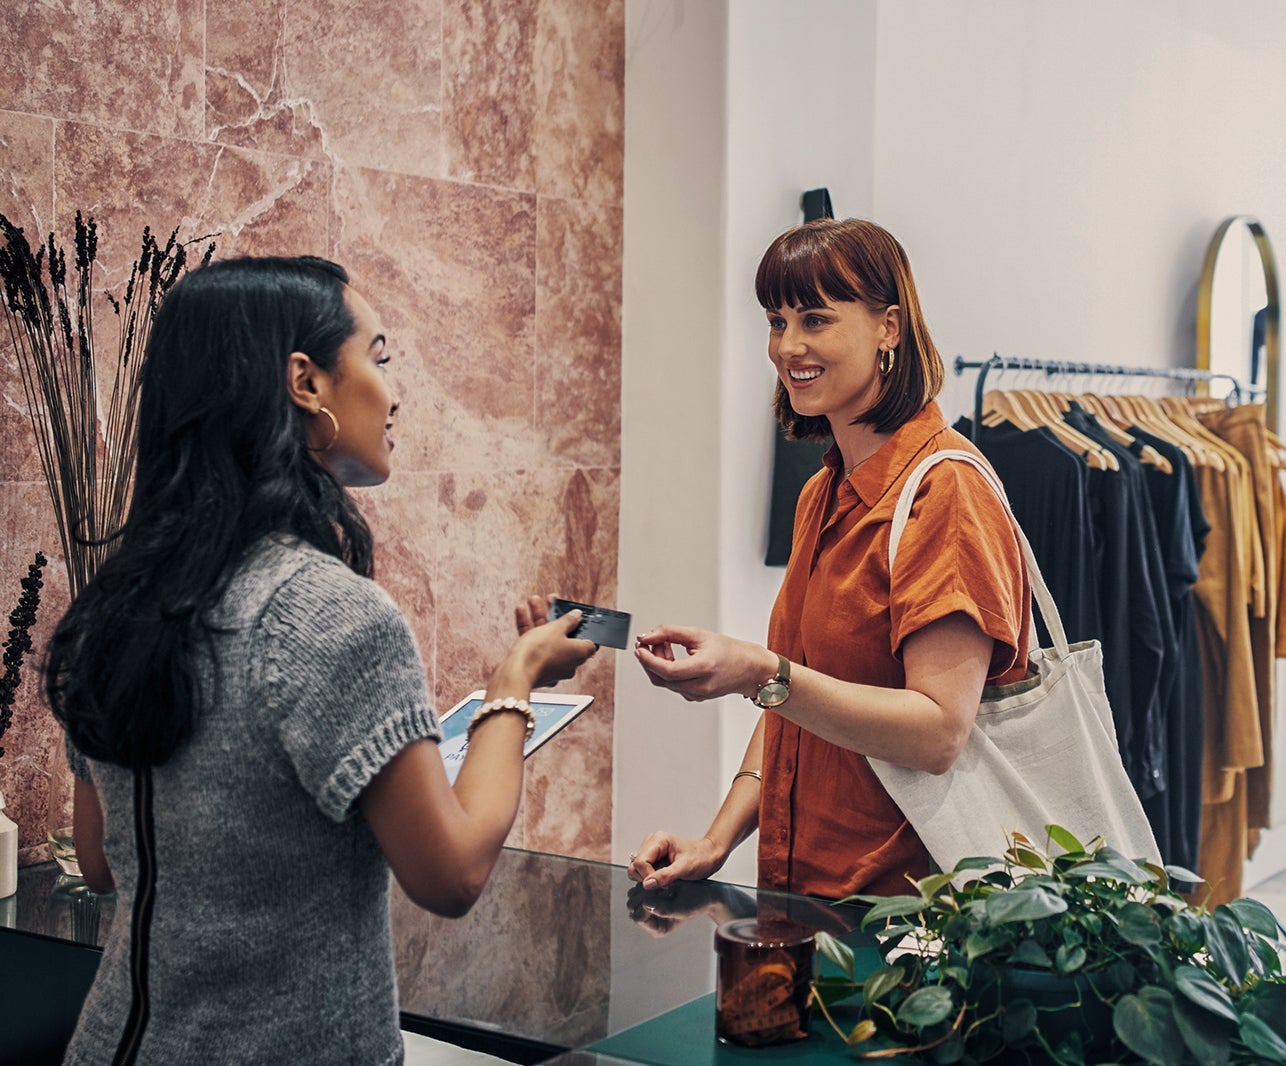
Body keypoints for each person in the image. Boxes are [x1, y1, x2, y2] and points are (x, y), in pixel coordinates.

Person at [45, 256, 598, 1064]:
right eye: (379, 357)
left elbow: (98, 863)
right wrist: (514, 683)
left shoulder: (113, 610)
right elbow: (451, 876)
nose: (394, 392)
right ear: (305, 382)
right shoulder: (329, 615)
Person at [628, 218, 1032, 899]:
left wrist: (761, 671)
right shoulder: (822, 492)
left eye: (815, 319)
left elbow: (938, 733)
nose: (789, 346)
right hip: (804, 899)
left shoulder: (945, 492)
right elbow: (798, 700)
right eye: (776, 321)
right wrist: (716, 840)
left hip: (909, 920)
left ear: (889, 328)